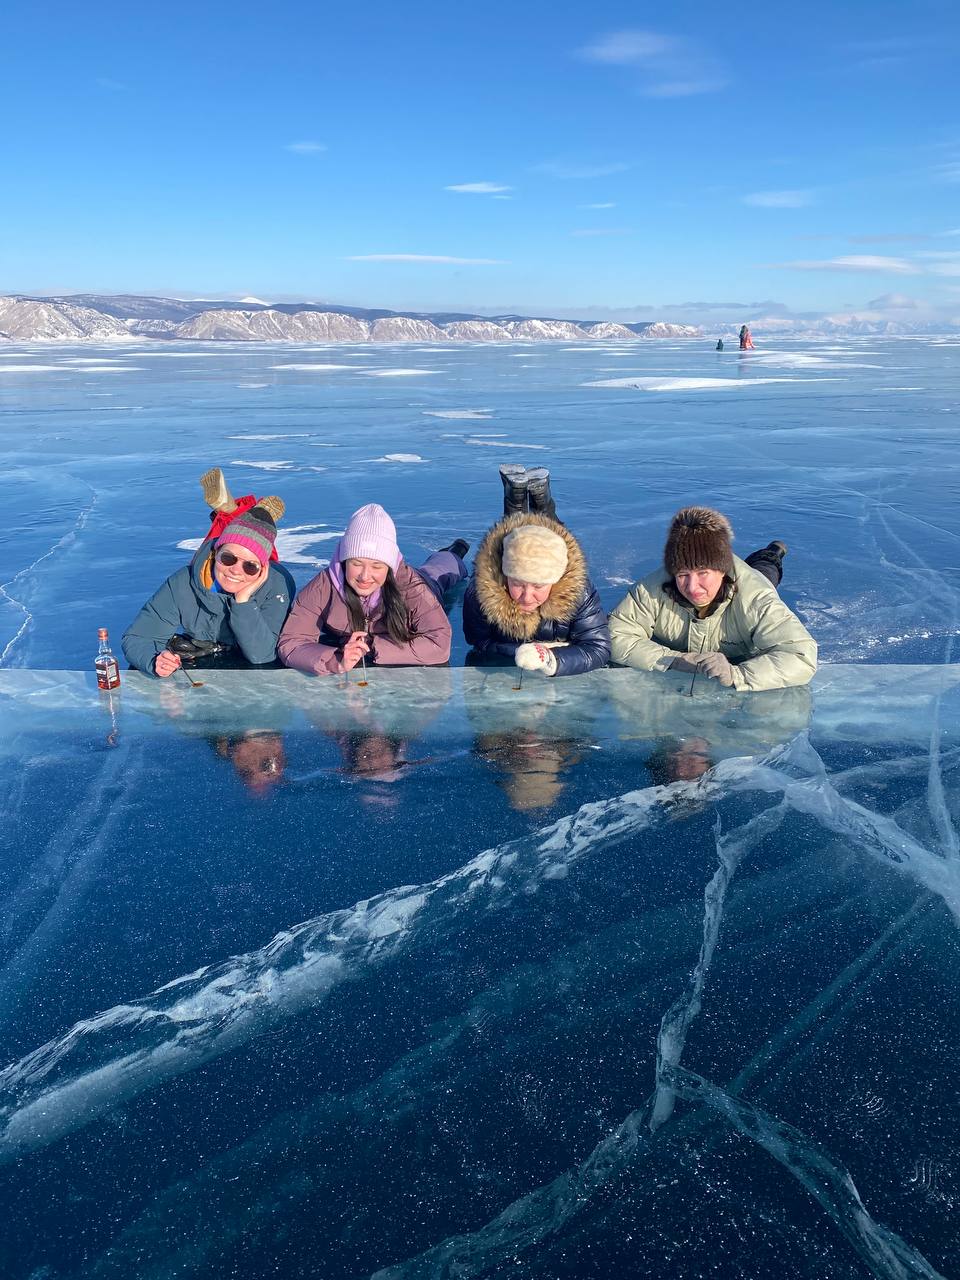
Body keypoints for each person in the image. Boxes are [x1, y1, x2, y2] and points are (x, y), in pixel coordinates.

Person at [608, 506, 817, 691]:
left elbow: (801, 656)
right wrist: (675, 660)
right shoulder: (652, 588)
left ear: (722, 569)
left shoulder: (756, 598)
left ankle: (772, 553)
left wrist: (737, 674)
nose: (692, 587)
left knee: (765, 573)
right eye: (682, 575)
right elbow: (615, 635)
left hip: (748, 585)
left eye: (702, 573)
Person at [278, 503, 467, 676]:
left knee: (439, 573)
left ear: (390, 565)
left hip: (427, 581)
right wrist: (337, 660)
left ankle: (453, 552)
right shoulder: (324, 586)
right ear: (344, 560)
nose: (365, 576)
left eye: (377, 566)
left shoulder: (411, 585)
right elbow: (291, 643)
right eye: (357, 563)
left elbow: (439, 644)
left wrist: (373, 647)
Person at [462, 467, 610, 677]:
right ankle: (516, 496)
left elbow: (598, 647)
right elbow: (479, 640)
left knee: (546, 538)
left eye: (539, 586)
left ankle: (540, 500)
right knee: (515, 539)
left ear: (556, 581)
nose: (527, 596)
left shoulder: (579, 591)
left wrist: (550, 659)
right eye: (517, 584)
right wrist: (520, 652)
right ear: (505, 578)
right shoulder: (480, 594)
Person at [122, 506, 295, 676]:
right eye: (228, 558)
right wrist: (155, 660)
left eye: (250, 566)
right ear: (215, 553)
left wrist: (243, 602)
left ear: (263, 568)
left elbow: (261, 655)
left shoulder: (277, 586)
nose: (235, 570)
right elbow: (138, 638)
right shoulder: (184, 583)